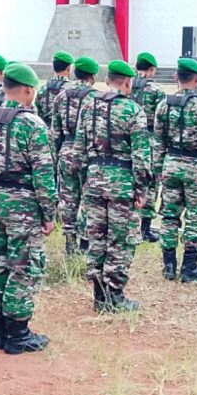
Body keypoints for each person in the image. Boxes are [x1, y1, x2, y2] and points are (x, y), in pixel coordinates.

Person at [0, 62, 57, 354]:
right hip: (23, 203)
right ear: (27, 90)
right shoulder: (33, 124)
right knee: (22, 267)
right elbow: (44, 175)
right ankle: (17, 334)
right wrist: (49, 214)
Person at [71, 59, 150, 312]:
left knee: (97, 238)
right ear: (128, 82)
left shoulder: (88, 107)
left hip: (94, 181)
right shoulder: (133, 110)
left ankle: (99, 296)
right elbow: (140, 156)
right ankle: (114, 295)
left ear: (107, 80)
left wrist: (86, 181)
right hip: (122, 184)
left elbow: (78, 151)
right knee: (121, 240)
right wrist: (142, 189)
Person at [153, 57, 197, 282]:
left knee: (169, 215)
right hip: (195, 167)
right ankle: (189, 267)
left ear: (176, 77)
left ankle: (168, 265)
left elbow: (158, 141)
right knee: (195, 216)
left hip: (170, 164)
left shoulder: (164, 104)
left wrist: (158, 168)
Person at [51, 56, 99, 255]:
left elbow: (55, 132)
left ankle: (69, 243)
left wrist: (55, 157)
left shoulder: (61, 96)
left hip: (66, 150)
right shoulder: (96, 97)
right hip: (87, 152)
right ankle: (85, 243)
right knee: (88, 198)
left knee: (68, 198)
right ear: (93, 76)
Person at [129, 51, 166, 243]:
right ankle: (145, 228)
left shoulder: (127, 85)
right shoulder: (157, 91)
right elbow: (162, 120)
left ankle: (130, 223)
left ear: (136, 68)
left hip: (127, 139)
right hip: (150, 139)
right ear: (152, 70)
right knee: (150, 182)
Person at [34, 51, 73, 131]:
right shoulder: (72, 90)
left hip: (46, 132)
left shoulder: (42, 90)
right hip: (65, 135)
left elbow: (37, 113)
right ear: (69, 68)